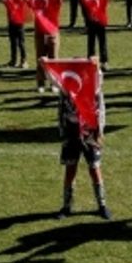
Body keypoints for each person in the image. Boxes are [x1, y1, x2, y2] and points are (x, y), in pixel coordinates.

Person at [51, 58, 110, 220]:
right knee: (70, 170)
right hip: (71, 133)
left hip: (90, 133)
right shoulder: (66, 88)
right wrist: (44, 63)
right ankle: (66, 206)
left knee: (95, 169)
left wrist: (100, 130)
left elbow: (99, 78)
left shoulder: (93, 86)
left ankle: (102, 205)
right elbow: (53, 77)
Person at [0, 0, 28, 68]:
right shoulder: (10, 2)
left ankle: (23, 61)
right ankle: (13, 60)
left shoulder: (21, 3)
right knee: (13, 43)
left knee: (21, 43)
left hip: (19, 24)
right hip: (12, 24)